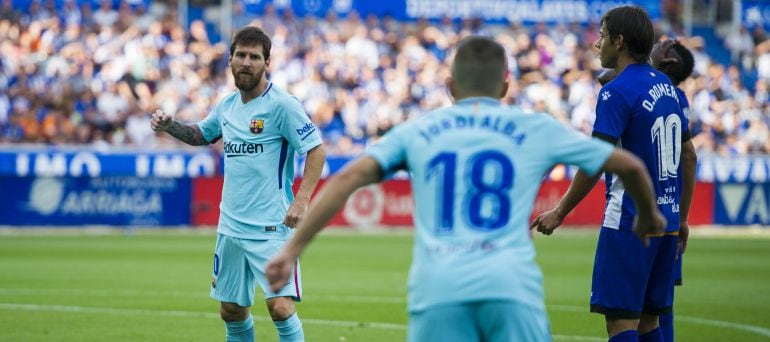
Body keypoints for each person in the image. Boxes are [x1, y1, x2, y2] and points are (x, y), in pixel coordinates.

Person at [266, 36, 666, 342]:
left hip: (438, 291)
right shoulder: (536, 129)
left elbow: (349, 178)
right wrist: (649, 214)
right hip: (512, 289)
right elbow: (628, 164)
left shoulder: (420, 130)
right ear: (506, 87)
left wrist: (291, 250)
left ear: (450, 86)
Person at [531, 6, 698, 342]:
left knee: (621, 324)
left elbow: (596, 159)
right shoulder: (667, 87)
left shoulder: (615, 91)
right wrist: (681, 217)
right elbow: (688, 153)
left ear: (619, 41)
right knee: (650, 321)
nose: (597, 44)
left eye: (603, 36)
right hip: (666, 220)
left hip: (630, 222)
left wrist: (560, 211)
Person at [151, 26, 326, 342]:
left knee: (281, 307)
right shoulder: (227, 106)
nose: (246, 62)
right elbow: (201, 135)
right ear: (230, 60)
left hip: (272, 227)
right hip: (230, 228)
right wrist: (169, 126)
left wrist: (301, 201)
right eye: (241, 55)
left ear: (266, 62)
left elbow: (316, 149)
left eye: (254, 57)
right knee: (231, 310)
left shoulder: (283, 105)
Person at [650, 38, 697, 342]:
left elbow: (690, 156)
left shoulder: (665, 97)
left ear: (669, 63)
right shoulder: (678, 97)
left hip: (654, 208)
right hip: (668, 207)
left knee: (655, 306)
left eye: (663, 45)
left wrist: (683, 218)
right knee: (660, 302)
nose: (655, 44)